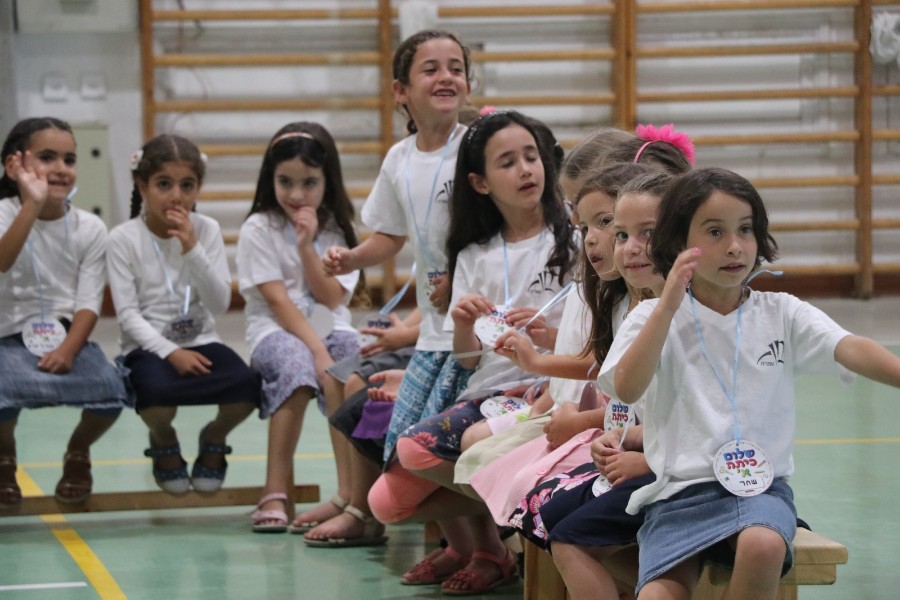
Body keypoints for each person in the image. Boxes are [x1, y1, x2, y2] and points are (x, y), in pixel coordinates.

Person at [599, 167, 900, 600]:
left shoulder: (782, 312)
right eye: (715, 232)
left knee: (763, 543)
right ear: (679, 242)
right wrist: (666, 307)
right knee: (658, 595)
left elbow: (849, 346)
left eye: (746, 229)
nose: (735, 246)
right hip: (678, 493)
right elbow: (626, 388)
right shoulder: (650, 318)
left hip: (760, 488)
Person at [367, 110, 578, 595]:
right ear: (480, 183)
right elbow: (466, 361)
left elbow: (597, 337)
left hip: (552, 386)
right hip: (491, 392)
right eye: (508, 162)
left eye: (532, 156)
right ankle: (511, 517)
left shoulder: (576, 238)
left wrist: (547, 339)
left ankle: (504, 531)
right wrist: (462, 325)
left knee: (451, 448)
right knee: (388, 502)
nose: (526, 169)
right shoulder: (473, 254)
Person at [320, 29, 476, 542]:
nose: (446, 76)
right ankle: (459, 545)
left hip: (470, 330)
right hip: (430, 331)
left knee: (437, 444)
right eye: (430, 69)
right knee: (407, 444)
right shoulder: (399, 159)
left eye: (455, 67)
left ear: (468, 85)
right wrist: (352, 257)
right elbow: (389, 235)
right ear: (401, 91)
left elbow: (498, 232)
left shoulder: (477, 149)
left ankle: (484, 550)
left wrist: (459, 278)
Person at [107, 134, 259, 496]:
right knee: (154, 392)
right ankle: (164, 437)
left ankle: (214, 436)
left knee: (249, 387)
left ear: (198, 188)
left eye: (186, 185)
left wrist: (192, 249)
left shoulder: (206, 230)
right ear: (142, 186)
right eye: (163, 184)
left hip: (201, 338)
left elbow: (220, 304)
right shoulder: (123, 238)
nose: (176, 196)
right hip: (147, 346)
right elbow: (127, 316)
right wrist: (171, 352)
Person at [235, 122, 364, 533]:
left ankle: (350, 494)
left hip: (331, 326)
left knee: (353, 368)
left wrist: (307, 246)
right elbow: (278, 301)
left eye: (309, 183)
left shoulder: (338, 229)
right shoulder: (259, 228)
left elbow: (331, 299)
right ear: (269, 179)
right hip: (273, 329)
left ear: (328, 181)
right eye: (284, 182)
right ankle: (275, 490)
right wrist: (316, 351)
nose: (295, 194)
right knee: (296, 369)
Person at [0, 117, 130, 507]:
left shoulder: (90, 227)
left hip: (65, 336)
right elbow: (3, 261)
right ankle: (4, 454)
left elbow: (89, 302)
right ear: (14, 166)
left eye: (69, 159)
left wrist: (70, 350)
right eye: (47, 157)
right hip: (6, 336)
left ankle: (78, 451)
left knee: (111, 392)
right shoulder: (5, 212)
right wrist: (32, 205)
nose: (61, 168)